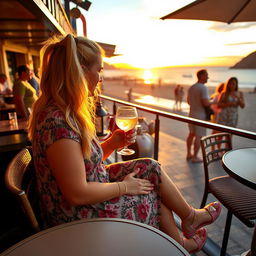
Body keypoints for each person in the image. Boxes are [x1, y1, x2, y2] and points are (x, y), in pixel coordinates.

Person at [28, 34, 221, 254]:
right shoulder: (58, 123)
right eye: (98, 70)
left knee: (150, 168)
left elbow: (81, 162)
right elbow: (77, 193)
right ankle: (181, 242)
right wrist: (125, 187)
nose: (100, 78)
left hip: (86, 194)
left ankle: (189, 218)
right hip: (75, 216)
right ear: (80, 71)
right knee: (150, 195)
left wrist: (112, 142)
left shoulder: (66, 113)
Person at [186, 69, 212, 163]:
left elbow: (188, 102)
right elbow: (205, 103)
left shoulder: (192, 87)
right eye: (206, 75)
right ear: (201, 76)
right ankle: (195, 157)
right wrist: (212, 102)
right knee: (198, 136)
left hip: (191, 114)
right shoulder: (203, 88)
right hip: (200, 116)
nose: (208, 77)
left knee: (191, 134)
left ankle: (189, 153)